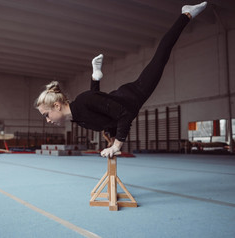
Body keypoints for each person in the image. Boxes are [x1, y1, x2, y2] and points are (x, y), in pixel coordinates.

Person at [36, 2, 207, 158]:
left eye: (46, 115)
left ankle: (185, 15)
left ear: (57, 106)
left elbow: (124, 114)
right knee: (159, 58)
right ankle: (96, 75)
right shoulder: (77, 117)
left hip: (134, 94)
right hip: (121, 97)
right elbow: (100, 107)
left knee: (161, 55)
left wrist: (117, 145)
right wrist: (110, 136)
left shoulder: (81, 103)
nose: (48, 120)